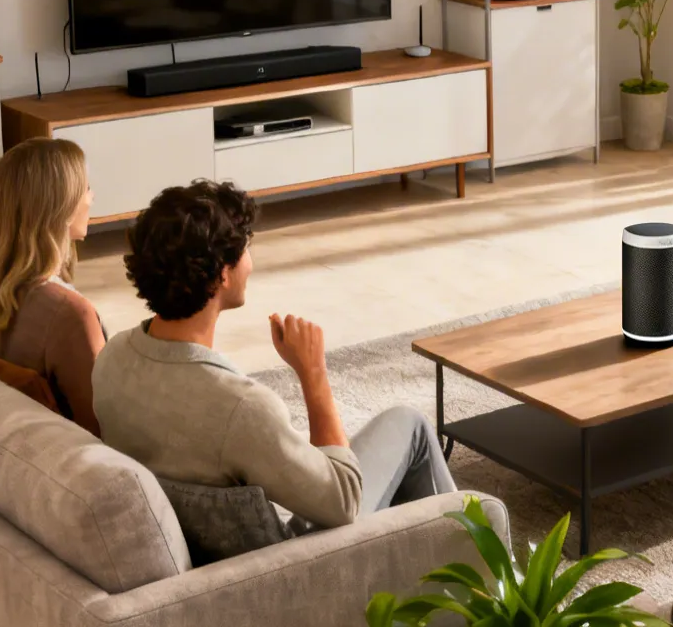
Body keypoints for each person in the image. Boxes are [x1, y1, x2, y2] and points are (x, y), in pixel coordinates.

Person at [91, 180, 454, 528]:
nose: (250, 259)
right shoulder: (241, 409)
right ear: (222, 275)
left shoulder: (112, 360)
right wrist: (313, 372)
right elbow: (344, 500)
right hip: (299, 558)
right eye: (246, 248)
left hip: (214, 550)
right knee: (412, 426)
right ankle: (494, 584)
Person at [0, 137, 105, 433]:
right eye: (86, 188)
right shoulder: (70, 315)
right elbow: (107, 427)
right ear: (60, 207)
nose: (92, 197)